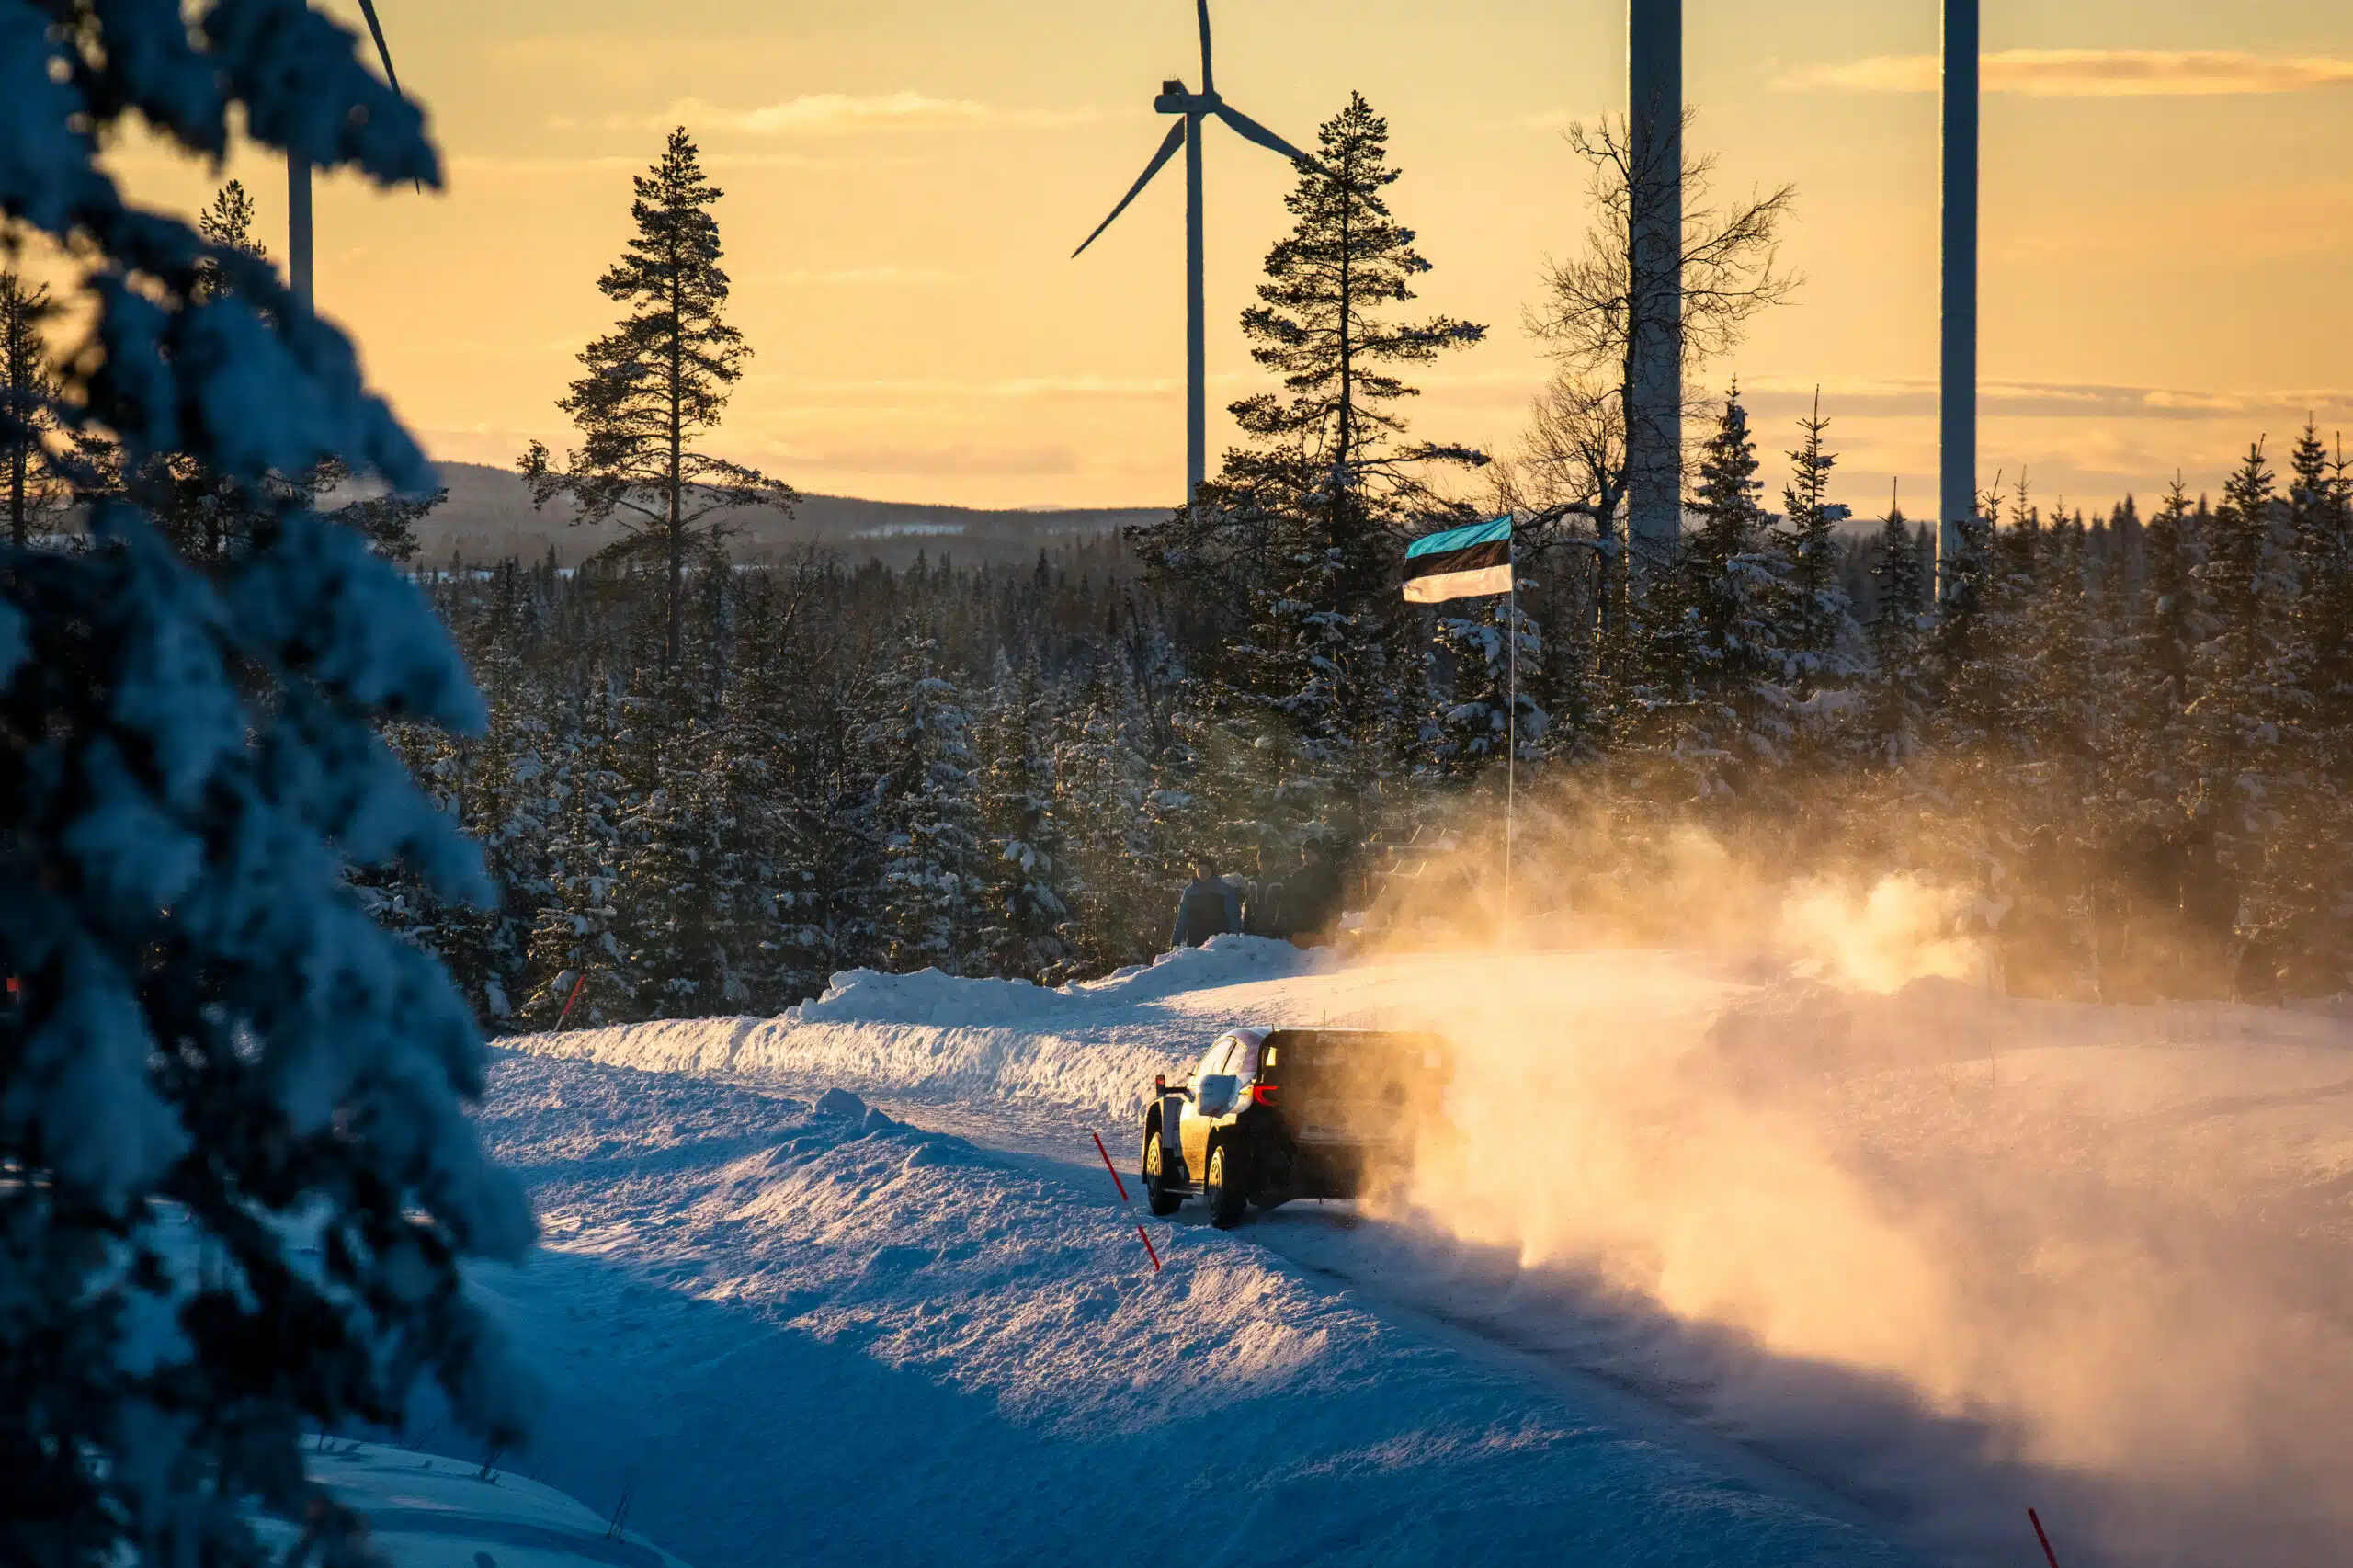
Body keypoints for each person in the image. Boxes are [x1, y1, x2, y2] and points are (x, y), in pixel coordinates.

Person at [1171, 856, 1232, 949]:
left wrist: (1234, 940)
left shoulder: (1224, 890)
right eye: (1200, 870)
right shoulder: (1189, 892)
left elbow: (1233, 917)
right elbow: (1182, 919)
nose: (1203, 873)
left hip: (1219, 946)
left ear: (1212, 870)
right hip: (1195, 947)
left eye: (1206, 870)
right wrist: (1175, 941)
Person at [1244, 844, 1290, 939]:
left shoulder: (1281, 882)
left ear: (1273, 863)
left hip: (1275, 931)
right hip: (1254, 929)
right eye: (1261, 862)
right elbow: (1248, 906)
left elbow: (1287, 907)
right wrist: (1245, 927)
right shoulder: (1253, 881)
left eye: (1267, 862)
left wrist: (1285, 931)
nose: (1264, 864)